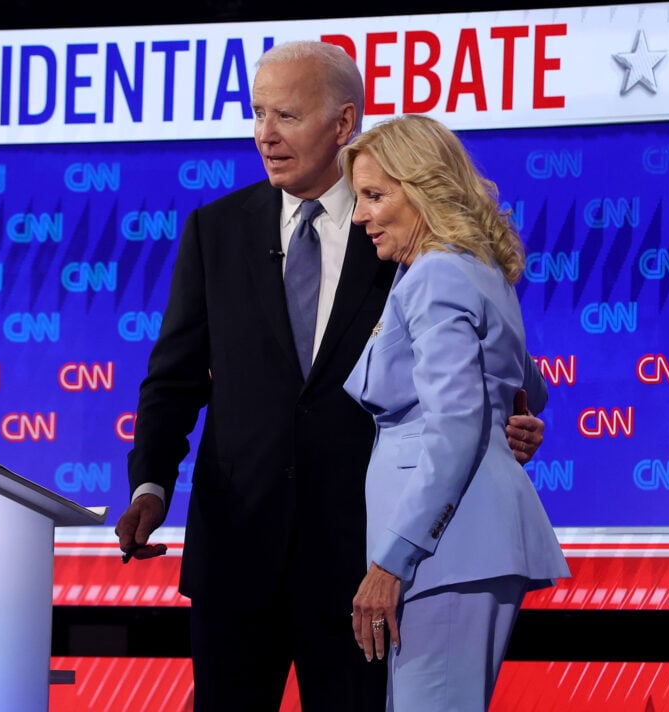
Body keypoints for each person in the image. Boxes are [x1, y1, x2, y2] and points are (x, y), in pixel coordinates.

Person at [114, 42, 548, 712]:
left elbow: (492, 363)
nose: (265, 133)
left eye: (285, 114)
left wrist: (503, 419)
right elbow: (172, 378)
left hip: (363, 559)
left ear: (343, 124)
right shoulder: (215, 230)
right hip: (238, 553)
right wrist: (151, 481)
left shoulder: (404, 234)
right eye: (257, 112)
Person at [340, 114, 570, 711]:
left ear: (423, 187)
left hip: (447, 548)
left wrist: (391, 560)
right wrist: (510, 419)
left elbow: (454, 423)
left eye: (375, 195)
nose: (360, 214)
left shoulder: (436, 274)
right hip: (459, 544)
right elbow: (522, 390)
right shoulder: (473, 268)